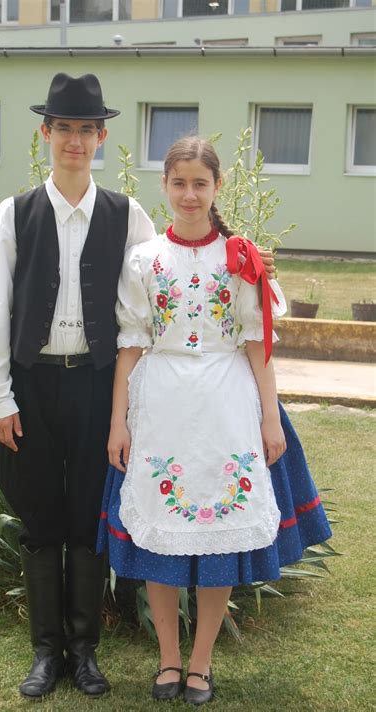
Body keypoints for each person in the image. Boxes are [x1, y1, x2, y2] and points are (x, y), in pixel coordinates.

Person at [99, 136, 332, 705]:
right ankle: (168, 661)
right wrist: (118, 422)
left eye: (200, 183)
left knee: (217, 533)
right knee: (162, 532)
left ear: (216, 187)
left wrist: (271, 421)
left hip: (228, 403)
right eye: (178, 183)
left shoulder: (243, 258)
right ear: (165, 187)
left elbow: (257, 343)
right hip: (162, 406)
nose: (189, 194)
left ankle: (200, 663)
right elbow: (131, 344)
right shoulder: (144, 259)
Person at [0, 73, 160, 700]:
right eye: (64, 129)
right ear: (46, 133)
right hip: (31, 388)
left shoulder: (129, 217)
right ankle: (45, 654)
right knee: (41, 521)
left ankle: (85, 651)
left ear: (102, 138)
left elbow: (151, 310)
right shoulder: (13, 215)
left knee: (87, 521)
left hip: (100, 389)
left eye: (86, 130)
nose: (75, 141)